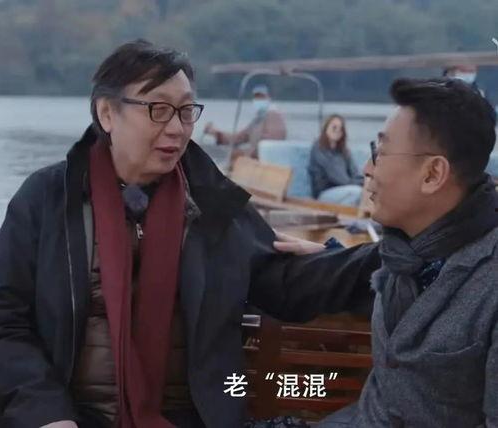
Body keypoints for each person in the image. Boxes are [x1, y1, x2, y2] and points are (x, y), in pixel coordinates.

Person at [0, 40, 380, 428]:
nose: (177, 128)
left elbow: (283, 284)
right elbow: (6, 320)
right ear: (107, 113)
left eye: (185, 111)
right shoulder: (48, 200)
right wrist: (45, 414)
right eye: (159, 109)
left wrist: (380, 255)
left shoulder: (214, 205)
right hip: (73, 418)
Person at [283, 77, 498, 427]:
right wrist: (326, 253)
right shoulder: (404, 252)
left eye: (380, 153)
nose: (367, 169)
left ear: (432, 174)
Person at [204, 84, 287, 158]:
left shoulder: (274, 115)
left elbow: (272, 145)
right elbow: (237, 138)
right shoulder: (257, 120)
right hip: (255, 161)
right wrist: (215, 132)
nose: (259, 100)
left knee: (235, 155)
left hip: (269, 163)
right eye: (256, 97)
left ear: (268, 98)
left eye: (261, 97)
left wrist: (244, 153)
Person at [308, 114, 364, 207]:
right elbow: (338, 178)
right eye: (334, 127)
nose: (338, 130)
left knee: (366, 194)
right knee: (357, 192)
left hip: (345, 190)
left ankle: (342, 214)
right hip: (324, 193)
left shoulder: (344, 151)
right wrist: (359, 184)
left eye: (341, 128)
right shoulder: (319, 149)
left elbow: (355, 173)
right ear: (326, 129)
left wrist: (365, 183)